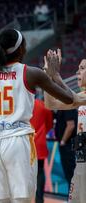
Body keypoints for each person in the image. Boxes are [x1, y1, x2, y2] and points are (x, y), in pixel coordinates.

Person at [0, 29, 74, 203]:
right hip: (17, 143)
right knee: (22, 200)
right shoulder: (30, 72)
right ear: (20, 50)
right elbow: (69, 98)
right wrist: (54, 74)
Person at [44, 58, 86, 203]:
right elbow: (50, 104)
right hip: (80, 163)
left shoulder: (80, 99)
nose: (77, 71)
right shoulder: (81, 98)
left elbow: (70, 97)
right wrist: (48, 76)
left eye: (82, 68)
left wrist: (55, 77)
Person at [30, 97, 53, 203]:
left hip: (23, 144)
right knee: (39, 172)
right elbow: (49, 125)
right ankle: (39, 200)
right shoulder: (43, 105)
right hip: (39, 144)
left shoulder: (20, 105)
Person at [55, 109, 77, 187]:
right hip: (66, 145)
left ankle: (73, 198)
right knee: (69, 174)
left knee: (70, 174)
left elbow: (71, 125)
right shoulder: (64, 107)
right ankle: (71, 197)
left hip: (68, 145)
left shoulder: (68, 107)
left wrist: (63, 141)